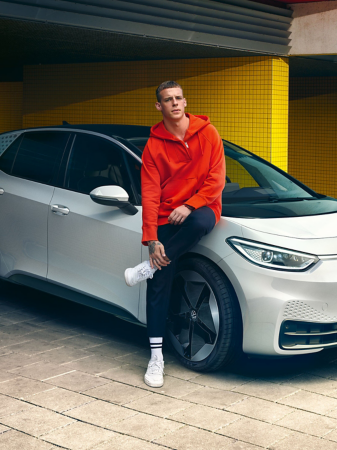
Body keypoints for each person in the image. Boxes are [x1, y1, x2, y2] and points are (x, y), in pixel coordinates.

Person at [124, 81, 225, 388]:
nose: (176, 103)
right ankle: (156, 358)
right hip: (167, 216)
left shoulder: (208, 133)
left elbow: (216, 179)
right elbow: (151, 194)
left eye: (179, 98)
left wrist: (191, 204)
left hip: (203, 207)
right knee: (158, 289)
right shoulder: (154, 146)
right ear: (159, 106)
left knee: (198, 222)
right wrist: (152, 239)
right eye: (168, 100)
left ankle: (149, 267)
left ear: (185, 101)